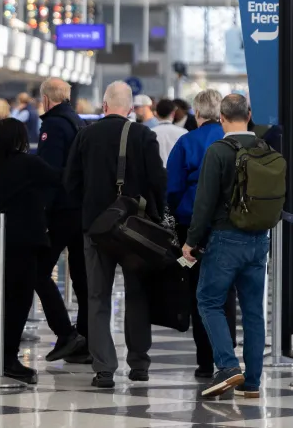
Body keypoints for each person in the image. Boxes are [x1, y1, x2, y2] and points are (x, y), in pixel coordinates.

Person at [65, 81, 167, 388]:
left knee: (97, 296)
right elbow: (158, 181)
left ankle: (104, 368)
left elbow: (70, 183)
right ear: (131, 108)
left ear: (104, 105)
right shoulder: (143, 135)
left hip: (96, 229)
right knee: (137, 294)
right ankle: (139, 364)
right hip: (135, 231)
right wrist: (157, 216)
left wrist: (86, 214)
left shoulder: (85, 135)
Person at [182, 94, 268, 400]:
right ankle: (252, 382)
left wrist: (191, 240)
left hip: (226, 239)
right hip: (259, 239)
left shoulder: (218, 150)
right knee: (253, 311)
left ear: (221, 118)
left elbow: (204, 202)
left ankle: (229, 365)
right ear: (249, 115)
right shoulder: (265, 149)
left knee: (208, 301)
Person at [0, 118, 61, 384]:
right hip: (24, 242)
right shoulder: (29, 164)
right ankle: (8, 359)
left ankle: (2, 357)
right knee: (20, 301)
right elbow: (59, 180)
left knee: (2, 299)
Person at [165, 89, 237, 379]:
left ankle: (205, 362)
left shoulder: (187, 142)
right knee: (226, 293)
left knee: (200, 294)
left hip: (192, 229)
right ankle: (227, 358)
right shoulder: (233, 141)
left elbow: (172, 188)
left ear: (197, 113)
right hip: (229, 227)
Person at [35, 77, 90, 364]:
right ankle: (86, 343)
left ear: (46, 99)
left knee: (38, 271)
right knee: (81, 278)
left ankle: (66, 334)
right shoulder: (78, 121)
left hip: (60, 211)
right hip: (81, 210)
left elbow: (49, 172)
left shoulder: (54, 125)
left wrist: (41, 211)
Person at [152, 99, 188, 165]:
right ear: (173, 113)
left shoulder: (150, 132)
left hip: (156, 169)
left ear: (156, 114)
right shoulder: (183, 132)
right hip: (177, 169)